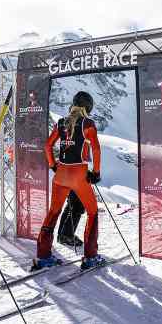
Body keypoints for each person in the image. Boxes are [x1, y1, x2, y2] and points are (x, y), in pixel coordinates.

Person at [34, 91, 103, 271]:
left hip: (60, 175)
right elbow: (95, 149)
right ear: (88, 107)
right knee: (93, 212)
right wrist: (95, 172)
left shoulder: (61, 122)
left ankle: (43, 256)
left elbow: (47, 145)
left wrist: (52, 165)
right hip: (79, 175)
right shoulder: (88, 124)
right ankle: (90, 257)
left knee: (53, 212)